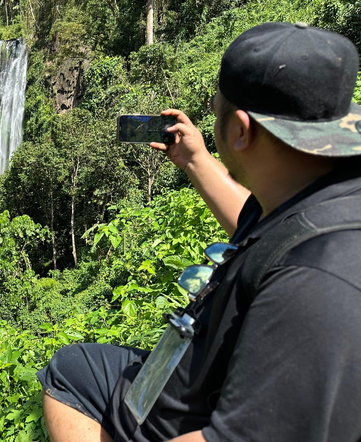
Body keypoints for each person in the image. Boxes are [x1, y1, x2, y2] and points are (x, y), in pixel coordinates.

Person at [37, 22, 361, 442]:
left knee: (66, 380)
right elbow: (258, 225)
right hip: (186, 384)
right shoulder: (314, 190)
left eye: (215, 111)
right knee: (74, 369)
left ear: (241, 130)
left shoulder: (318, 278)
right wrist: (195, 161)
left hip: (185, 419)